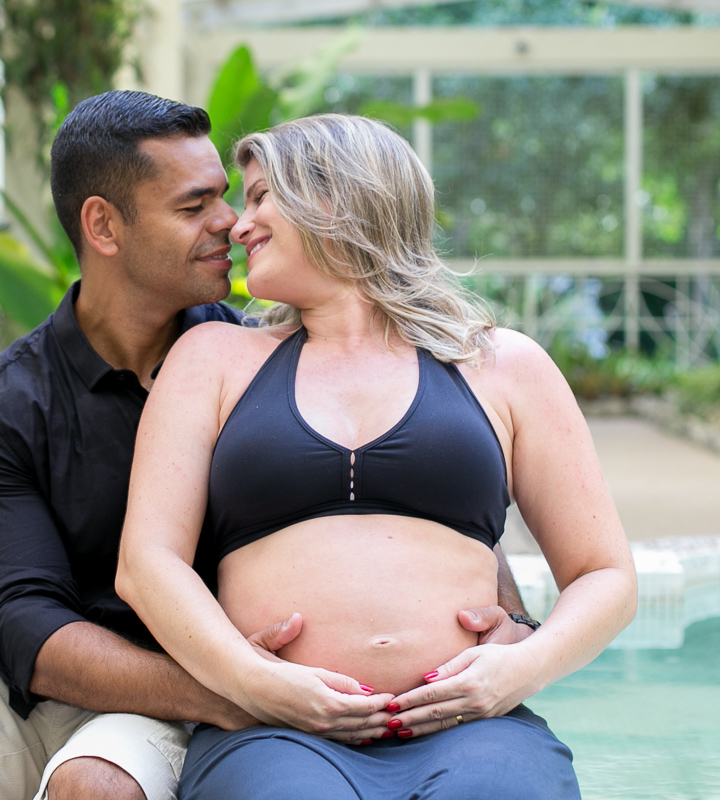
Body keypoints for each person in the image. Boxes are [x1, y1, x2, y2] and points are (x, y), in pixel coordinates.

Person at [0, 93, 537, 800]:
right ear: (103, 227)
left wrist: (506, 619)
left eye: (231, 199)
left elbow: (393, 496)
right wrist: (238, 689)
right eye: (196, 205)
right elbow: (23, 623)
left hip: (185, 693)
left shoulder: (264, 363)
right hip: (108, 681)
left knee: (95, 788)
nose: (232, 224)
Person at [115, 113, 639, 799]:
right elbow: (146, 564)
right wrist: (257, 685)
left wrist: (522, 669)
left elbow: (605, 574)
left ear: (336, 198)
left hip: (477, 729)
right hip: (276, 733)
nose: (239, 226)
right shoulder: (214, 360)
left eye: (262, 196)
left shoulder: (502, 365)